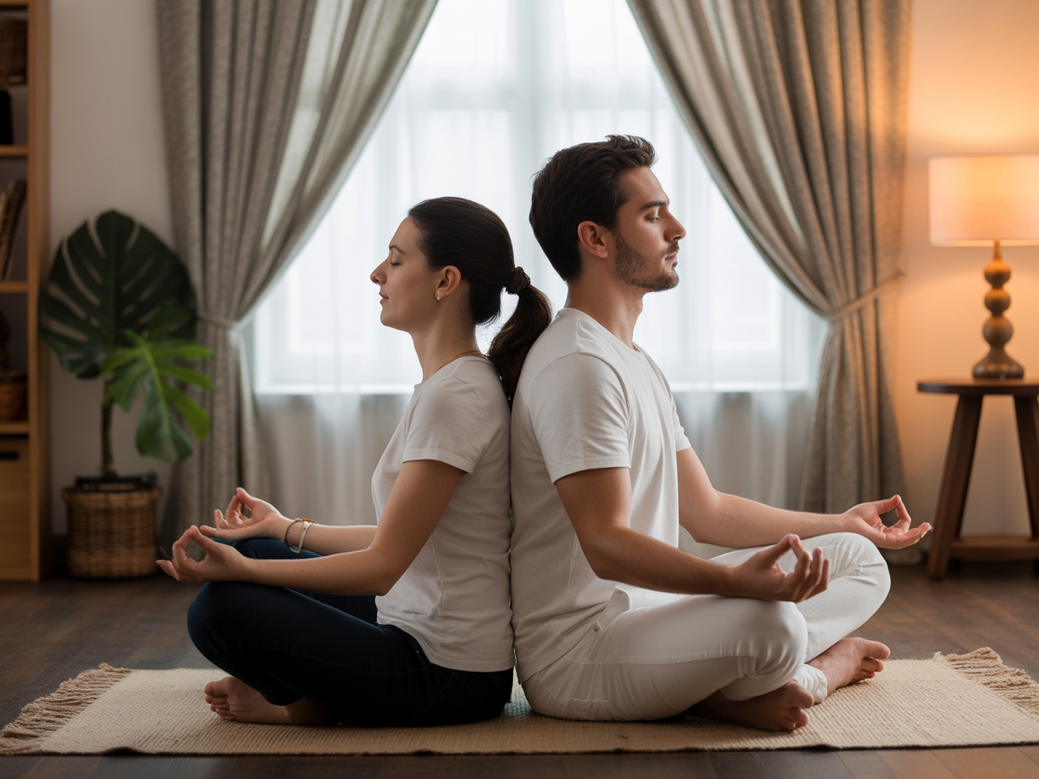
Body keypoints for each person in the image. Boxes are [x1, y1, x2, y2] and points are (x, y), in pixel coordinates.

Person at [509, 135, 930, 731]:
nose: (677, 229)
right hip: (582, 654)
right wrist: (733, 584)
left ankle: (722, 688)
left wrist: (840, 522)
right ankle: (818, 673)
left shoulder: (632, 359)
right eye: (653, 216)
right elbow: (604, 543)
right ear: (595, 238)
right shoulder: (578, 365)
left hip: (653, 616)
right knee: (775, 624)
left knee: (859, 560)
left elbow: (705, 512)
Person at [158, 196, 551, 727]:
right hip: (411, 627)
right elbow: (400, 540)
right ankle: (321, 691)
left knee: (218, 611)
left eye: (394, 260)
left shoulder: (455, 397)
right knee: (263, 547)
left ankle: (304, 707)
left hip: (443, 674)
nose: (376, 274)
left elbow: (385, 565)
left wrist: (246, 570)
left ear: (445, 281)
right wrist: (284, 529)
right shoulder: (454, 385)